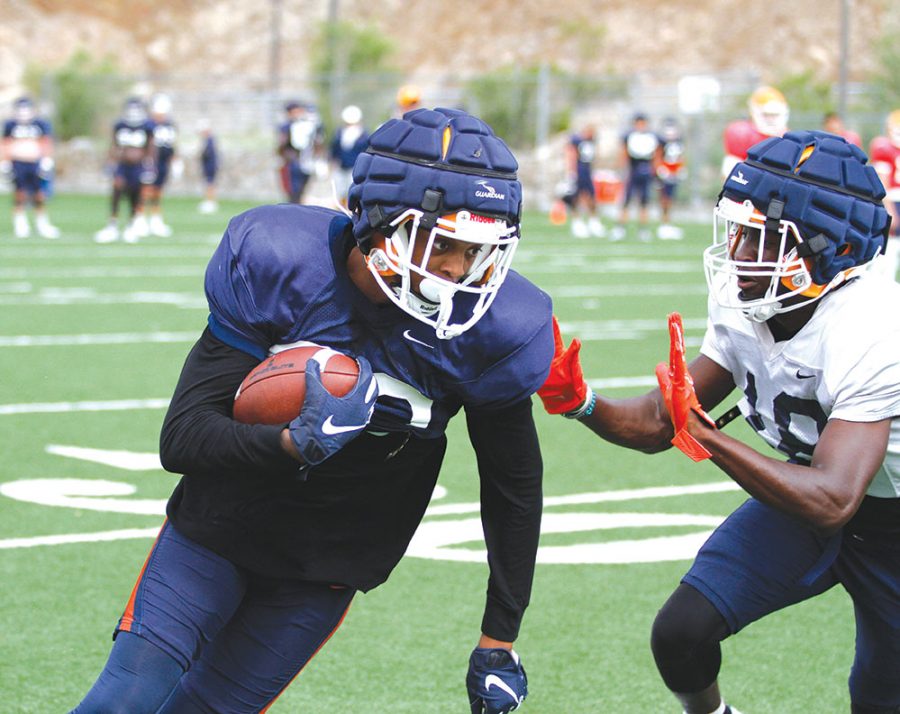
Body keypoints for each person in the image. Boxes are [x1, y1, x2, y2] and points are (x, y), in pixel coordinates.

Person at [69, 107, 553, 714]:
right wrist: (290, 445)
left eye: (478, 250)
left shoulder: (496, 330)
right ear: (381, 222)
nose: (460, 271)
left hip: (325, 566)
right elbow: (184, 437)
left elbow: (513, 488)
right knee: (122, 704)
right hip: (215, 533)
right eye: (444, 243)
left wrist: (499, 638)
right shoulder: (282, 262)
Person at [538, 130, 899, 714]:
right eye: (736, 230)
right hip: (805, 489)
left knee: (880, 697)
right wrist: (581, 401)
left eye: (757, 237)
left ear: (823, 247)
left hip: (880, 517)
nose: (736, 252)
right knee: (681, 633)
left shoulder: (873, 325)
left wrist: (709, 439)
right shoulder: (750, 297)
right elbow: (662, 419)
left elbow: (834, 499)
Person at [94, 97, 155, 244]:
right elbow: (114, 145)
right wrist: (109, 162)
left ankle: (131, 225)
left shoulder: (147, 126)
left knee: (135, 194)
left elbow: (151, 148)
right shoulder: (120, 125)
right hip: (122, 164)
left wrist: (150, 165)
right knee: (117, 189)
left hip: (138, 165)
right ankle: (112, 225)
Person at [1, 96, 60, 239]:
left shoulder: (40, 124)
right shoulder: (10, 124)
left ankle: (42, 223)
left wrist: (47, 159)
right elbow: (5, 143)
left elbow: (46, 142)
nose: (23, 113)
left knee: (39, 193)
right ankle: (20, 224)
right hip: (18, 163)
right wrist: (4, 161)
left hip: (35, 163)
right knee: (20, 193)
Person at [611, 112, 660, 242]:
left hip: (646, 170)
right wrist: (621, 169)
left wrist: (656, 171)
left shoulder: (651, 137)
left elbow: (656, 154)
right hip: (633, 170)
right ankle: (620, 228)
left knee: (644, 201)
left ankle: (643, 229)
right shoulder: (629, 136)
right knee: (626, 200)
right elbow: (624, 153)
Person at [721, 85, 789, 177]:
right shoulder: (741, 133)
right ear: (754, 112)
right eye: (767, 115)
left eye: (775, 115)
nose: (771, 120)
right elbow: (730, 173)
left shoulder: (787, 138)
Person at [868, 110, 900, 281]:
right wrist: (889, 209)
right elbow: (882, 183)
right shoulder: (883, 148)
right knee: (888, 253)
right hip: (893, 202)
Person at [143, 93, 178, 236]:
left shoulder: (170, 125)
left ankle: (155, 219)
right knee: (146, 191)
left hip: (163, 163)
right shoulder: (148, 125)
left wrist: (175, 160)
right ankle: (140, 219)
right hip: (150, 162)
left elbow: (173, 144)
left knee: (158, 191)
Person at [277, 100, 324, 205]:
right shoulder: (288, 126)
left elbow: (317, 143)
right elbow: (283, 146)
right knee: (294, 192)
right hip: (293, 163)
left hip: (307, 161)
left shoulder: (309, 124)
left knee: (304, 191)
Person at [565, 124, 605, 238]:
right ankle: (577, 222)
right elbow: (571, 155)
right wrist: (571, 172)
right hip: (579, 170)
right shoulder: (577, 141)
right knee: (576, 197)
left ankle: (594, 221)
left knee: (591, 196)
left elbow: (594, 157)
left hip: (587, 171)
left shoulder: (591, 141)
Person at [328, 104, 369, 207]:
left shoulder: (364, 136)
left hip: (356, 170)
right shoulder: (339, 134)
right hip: (342, 169)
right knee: (340, 193)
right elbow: (334, 151)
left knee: (353, 193)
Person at [656, 116, 686, 240]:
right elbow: (657, 156)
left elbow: (680, 156)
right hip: (664, 172)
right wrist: (660, 169)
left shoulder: (679, 141)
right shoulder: (661, 142)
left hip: (674, 173)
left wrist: (681, 168)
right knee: (664, 198)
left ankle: (667, 224)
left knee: (671, 198)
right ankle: (664, 224)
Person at [197, 118, 219, 214]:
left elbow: (206, 153)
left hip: (210, 165)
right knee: (208, 183)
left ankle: (210, 201)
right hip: (209, 165)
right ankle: (209, 200)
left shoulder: (209, 140)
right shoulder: (208, 139)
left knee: (209, 183)